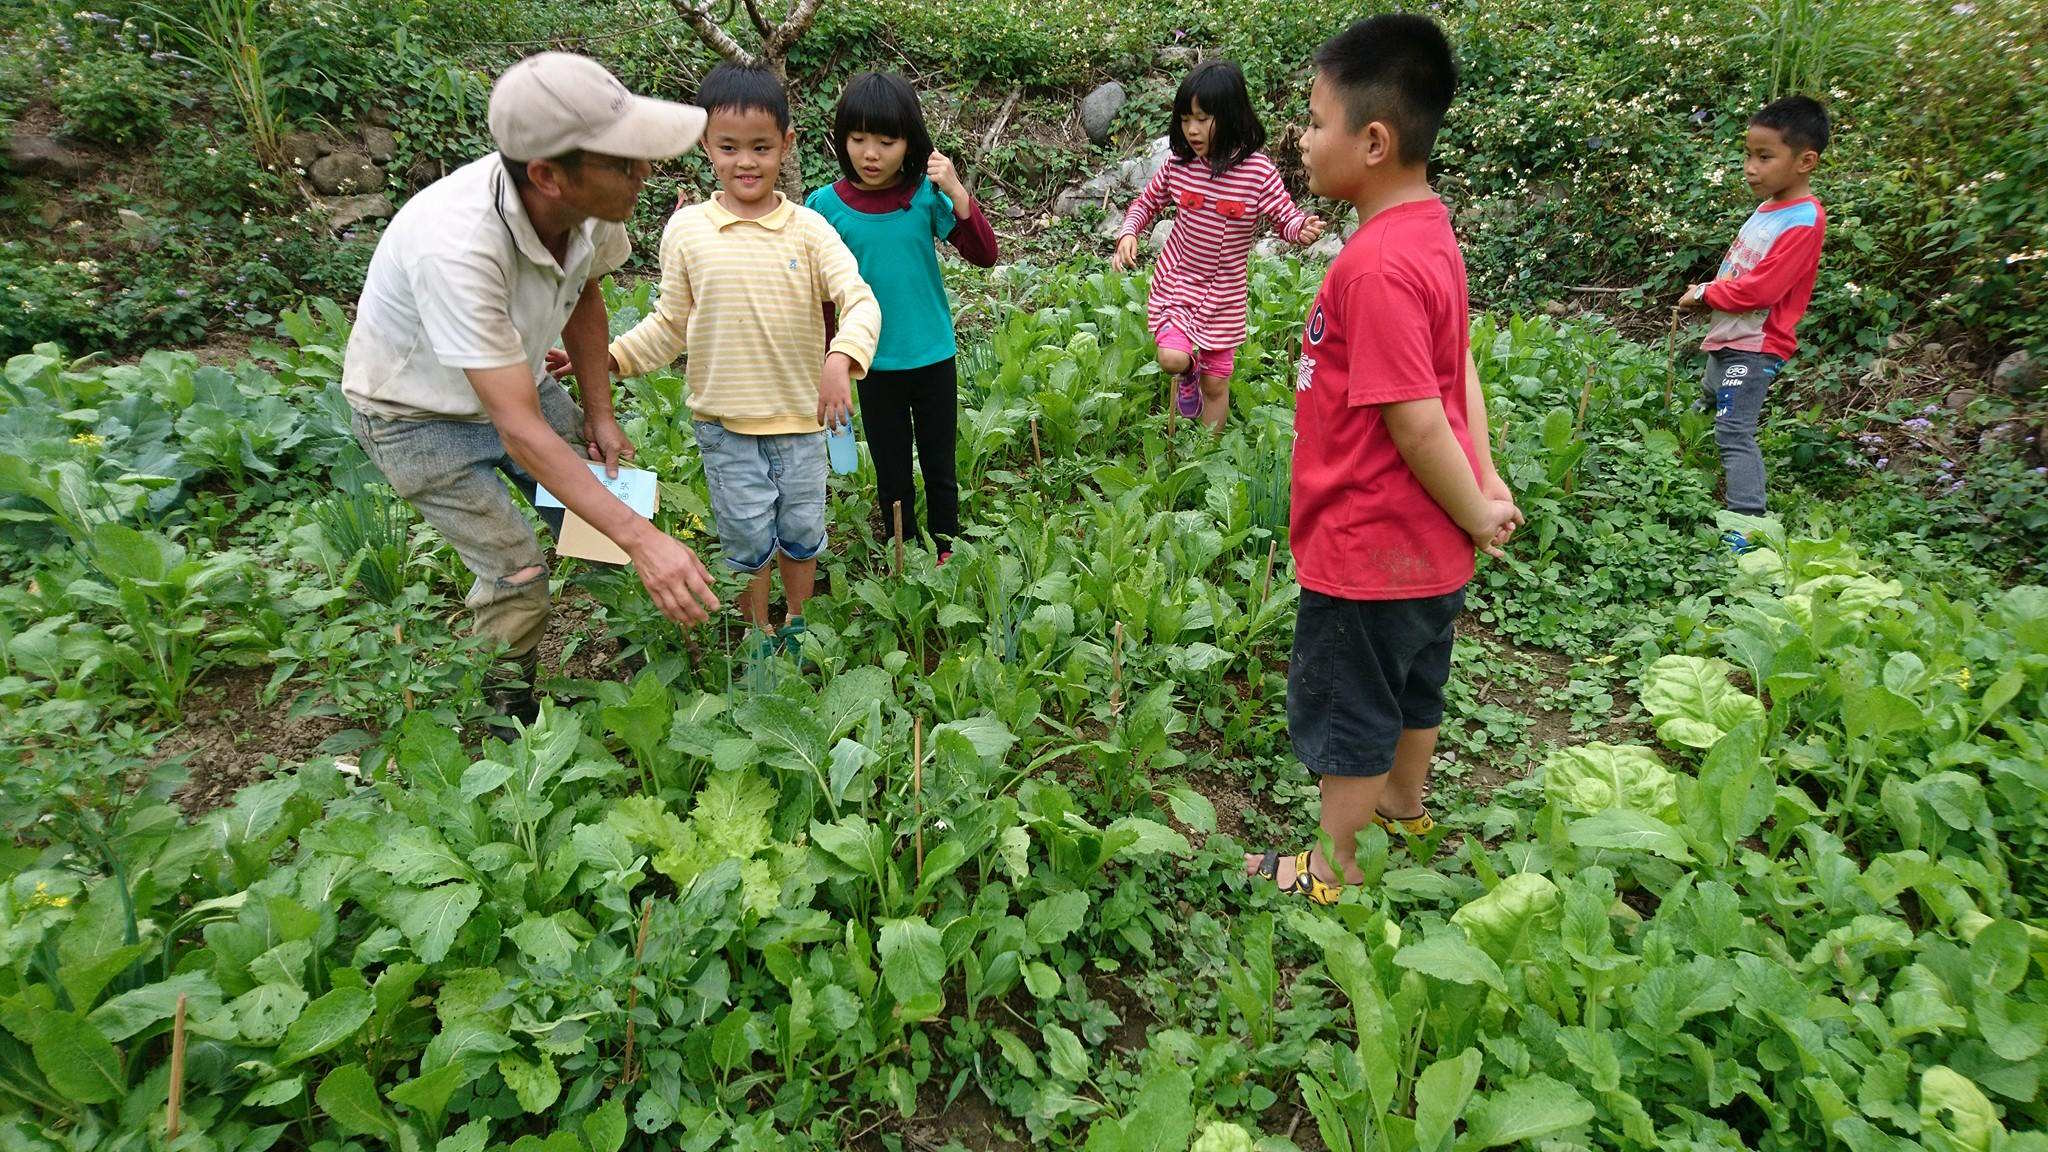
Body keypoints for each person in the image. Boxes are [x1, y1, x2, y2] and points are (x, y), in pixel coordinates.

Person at [341, 51, 719, 733]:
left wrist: (600, 413)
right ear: (547, 175)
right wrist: (645, 540)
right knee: (519, 571)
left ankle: (644, 649)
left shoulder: (594, 204)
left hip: (518, 378)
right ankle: (499, 708)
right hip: (415, 415)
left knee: (605, 501)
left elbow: (585, 295)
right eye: (624, 161)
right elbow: (518, 428)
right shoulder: (455, 245)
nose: (645, 174)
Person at [1247, 14, 1520, 903]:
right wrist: (1480, 485)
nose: (1303, 137)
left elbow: (1413, 415)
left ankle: (1331, 869)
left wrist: (1478, 501)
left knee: (1352, 709)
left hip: (1369, 550)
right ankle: (1405, 805)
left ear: (1373, 140)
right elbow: (1460, 371)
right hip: (1428, 551)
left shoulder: (1372, 267)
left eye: (1316, 121)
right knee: (1413, 685)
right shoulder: (1432, 233)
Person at [605, 63, 881, 653]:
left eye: (761, 146)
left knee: (802, 531)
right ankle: (757, 629)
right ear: (705, 146)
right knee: (748, 538)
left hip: (802, 424)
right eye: (729, 147)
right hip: (726, 428)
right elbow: (669, 324)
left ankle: (797, 619)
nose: (746, 162)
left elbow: (859, 300)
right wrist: (612, 359)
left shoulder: (809, 230)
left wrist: (842, 358)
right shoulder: (687, 231)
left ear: (787, 143)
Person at [806, 71, 1000, 559]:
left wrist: (957, 192)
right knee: (891, 467)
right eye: (858, 139)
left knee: (940, 461)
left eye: (886, 141)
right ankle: (902, 549)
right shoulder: (824, 208)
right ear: (841, 139)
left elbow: (984, 254)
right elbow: (822, 298)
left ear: (910, 141)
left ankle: (947, 547)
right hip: (871, 362)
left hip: (933, 353)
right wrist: (831, 361)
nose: (871, 154)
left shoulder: (923, 197)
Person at [1112, 60, 1327, 430]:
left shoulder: (1257, 172)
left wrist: (1300, 228)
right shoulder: (1178, 166)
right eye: (1184, 119)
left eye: (1202, 118)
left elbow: (1283, 215)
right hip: (1179, 281)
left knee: (1217, 384)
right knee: (1172, 358)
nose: (1191, 130)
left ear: (1230, 116)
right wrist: (1129, 232)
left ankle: (1205, 457)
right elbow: (1146, 202)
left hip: (1226, 293)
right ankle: (1189, 370)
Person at [1679, 96, 1830, 545]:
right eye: (1748, 154)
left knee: (1734, 430)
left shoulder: (1803, 220)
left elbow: (1763, 289)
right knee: (1710, 388)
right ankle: (1689, 432)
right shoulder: (1770, 208)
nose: (1750, 167)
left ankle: (1746, 520)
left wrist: (1706, 293)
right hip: (1731, 335)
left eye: (1765, 157)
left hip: (1757, 343)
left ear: (1805, 161)